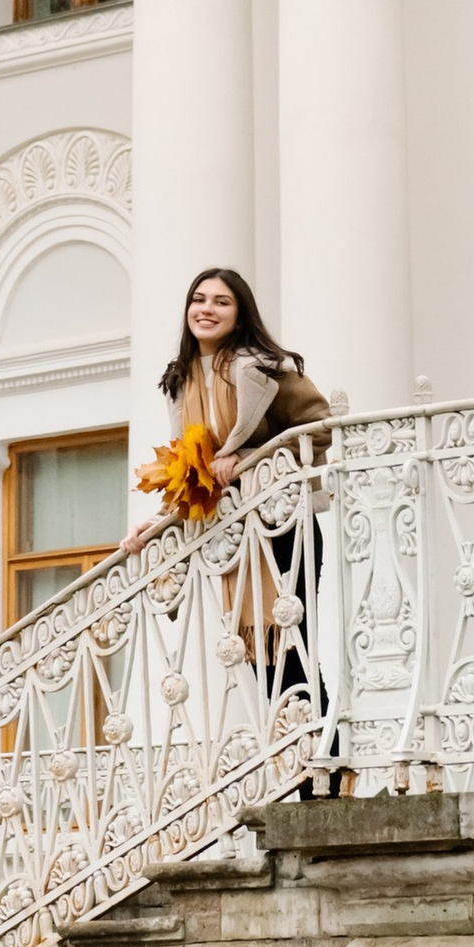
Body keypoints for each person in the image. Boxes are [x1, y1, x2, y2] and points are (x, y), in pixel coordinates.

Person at [115, 269, 339, 774]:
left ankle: (327, 762)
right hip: (233, 541)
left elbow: (319, 429)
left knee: (292, 648)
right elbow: (193, 472)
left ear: (240, 313)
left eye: (221, 301)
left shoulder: (265, 368)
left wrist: (248, 459)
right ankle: (306, 767)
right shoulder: (181, 380)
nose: (207, 309)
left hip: (281, 525)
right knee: (262, 660)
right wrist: (152, 524)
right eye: (199, 299)